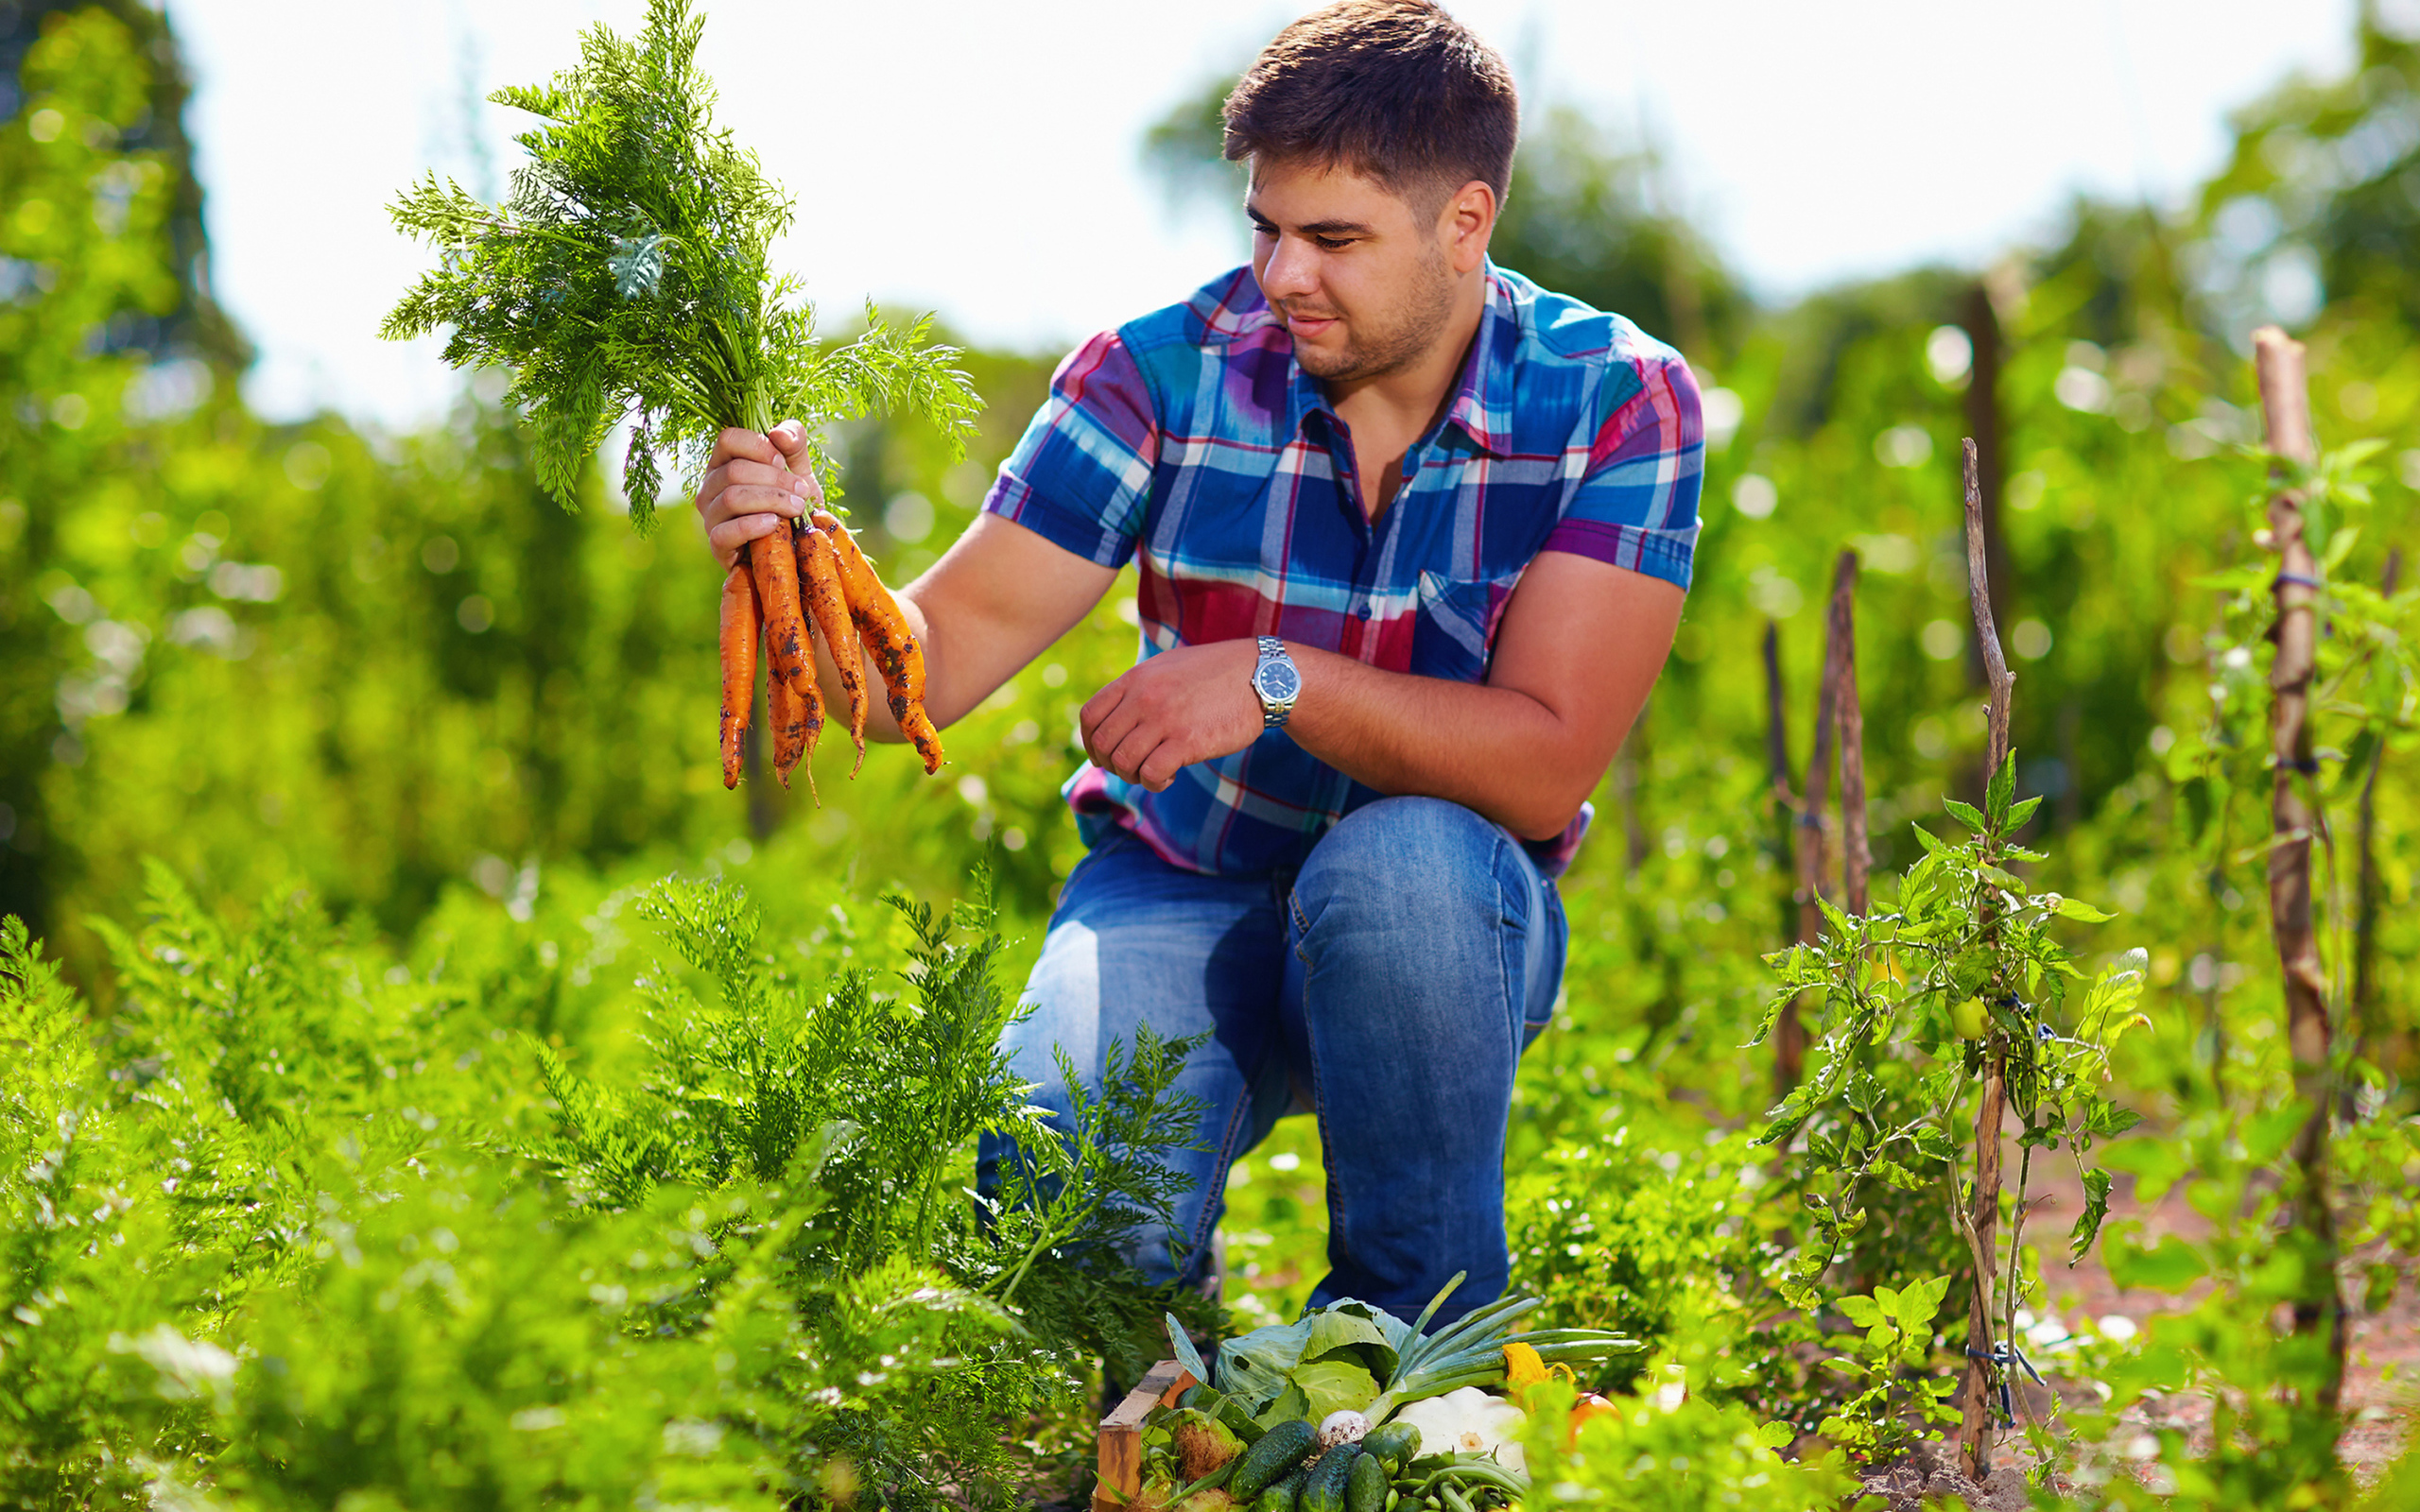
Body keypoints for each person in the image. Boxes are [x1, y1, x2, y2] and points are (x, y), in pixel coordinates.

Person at [692, 0, 1701, 1321]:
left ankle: (1413, 1342)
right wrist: (794, 554)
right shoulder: (1156, 375)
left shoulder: (1617, 399)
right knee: (1068, 1245)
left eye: (1335, 240)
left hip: (1439, 920)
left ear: (1466, 224)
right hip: (1175, 882)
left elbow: (1544, 763)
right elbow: (916, 680)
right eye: (1268, 229)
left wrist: (1275, 679)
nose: (1286, 276)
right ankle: (1161, 1305)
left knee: (1399, 868)